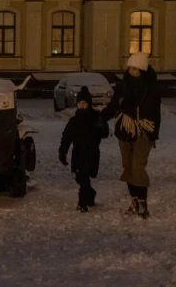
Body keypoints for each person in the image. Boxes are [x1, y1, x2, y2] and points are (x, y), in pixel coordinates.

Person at [101, 52, 161, 218]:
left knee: (137, 166)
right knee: (128, 166)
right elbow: (113, 107)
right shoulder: (122, 87)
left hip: (144, 130)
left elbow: (150, 111)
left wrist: (152, 133)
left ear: (142, 69)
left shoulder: (151, 88)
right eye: (129, 68)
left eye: (135, 68)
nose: (131, 71)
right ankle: (134, 200)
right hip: (125, 130)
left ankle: (142, 202)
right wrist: (100, 119)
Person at [58, 86, 108, 212]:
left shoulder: (96, 118)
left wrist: (102, 126)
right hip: (78, 153)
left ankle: (82, 203)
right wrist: (62, 152)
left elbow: (105, 133)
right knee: (80, 178)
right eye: (79, 103)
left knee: (84, 176)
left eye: (84, 103)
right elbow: (66, 137)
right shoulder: (74, 121)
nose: (82, 105)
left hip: (91, 153)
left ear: (89, 104)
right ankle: (90, 194)